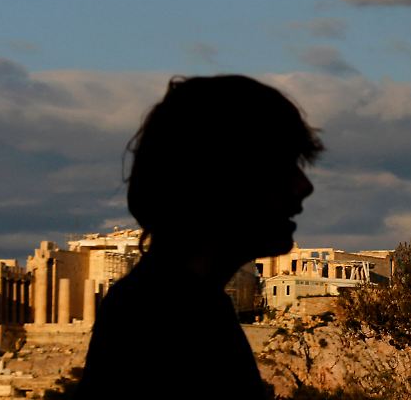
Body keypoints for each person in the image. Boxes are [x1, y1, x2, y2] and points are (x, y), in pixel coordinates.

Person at [76, 75, 322, 399]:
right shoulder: (164, 323)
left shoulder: (176, 305)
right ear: (219, 177)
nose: (304, 186)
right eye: (282, 165)